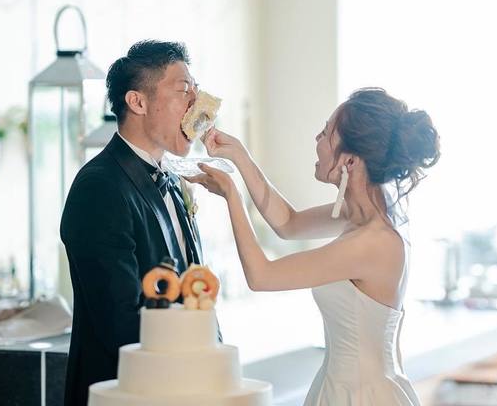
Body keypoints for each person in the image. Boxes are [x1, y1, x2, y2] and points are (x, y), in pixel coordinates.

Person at [187, 87, 439, 405]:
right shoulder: (364, 214)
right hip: (341, 387)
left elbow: (262, 276)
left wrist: (231, 195)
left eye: (325, 134)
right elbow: (288, 223)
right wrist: (239, 156)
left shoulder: (373, 242)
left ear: (349, 159)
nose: (316, 140)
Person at [60, 40, 205, 406]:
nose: (197, 104)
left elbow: (196, 290)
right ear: (137, 102)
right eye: (184, 90)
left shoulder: (173, 178)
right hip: (125, 392)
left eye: (196, 91)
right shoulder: (100, 187)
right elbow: (121, 324)